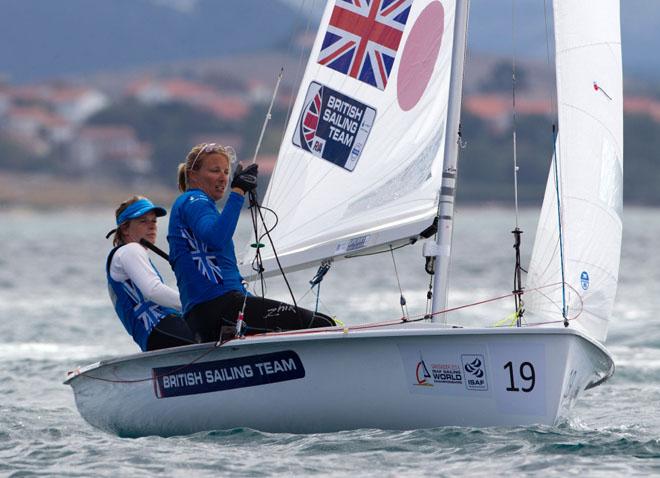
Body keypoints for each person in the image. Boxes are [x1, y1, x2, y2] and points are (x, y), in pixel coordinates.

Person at [168, 143, 335, 343]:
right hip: (218, 307)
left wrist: (248, 297)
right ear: (192, 175)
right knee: (321, 325)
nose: (223, 177)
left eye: (226, 172)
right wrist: (238, 192)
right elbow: (216, 239)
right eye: (214, 171)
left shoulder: (194, 205)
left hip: (209, 312)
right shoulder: (194, 200)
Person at [106, 196, 195, 351]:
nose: (152, 226)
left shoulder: (125, 255)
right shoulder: (130, 250)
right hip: (163, 330)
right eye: (143, 221)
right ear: (125, 228)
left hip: (154, 337)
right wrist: (195, 304)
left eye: (154, 221)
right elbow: (153, 290)